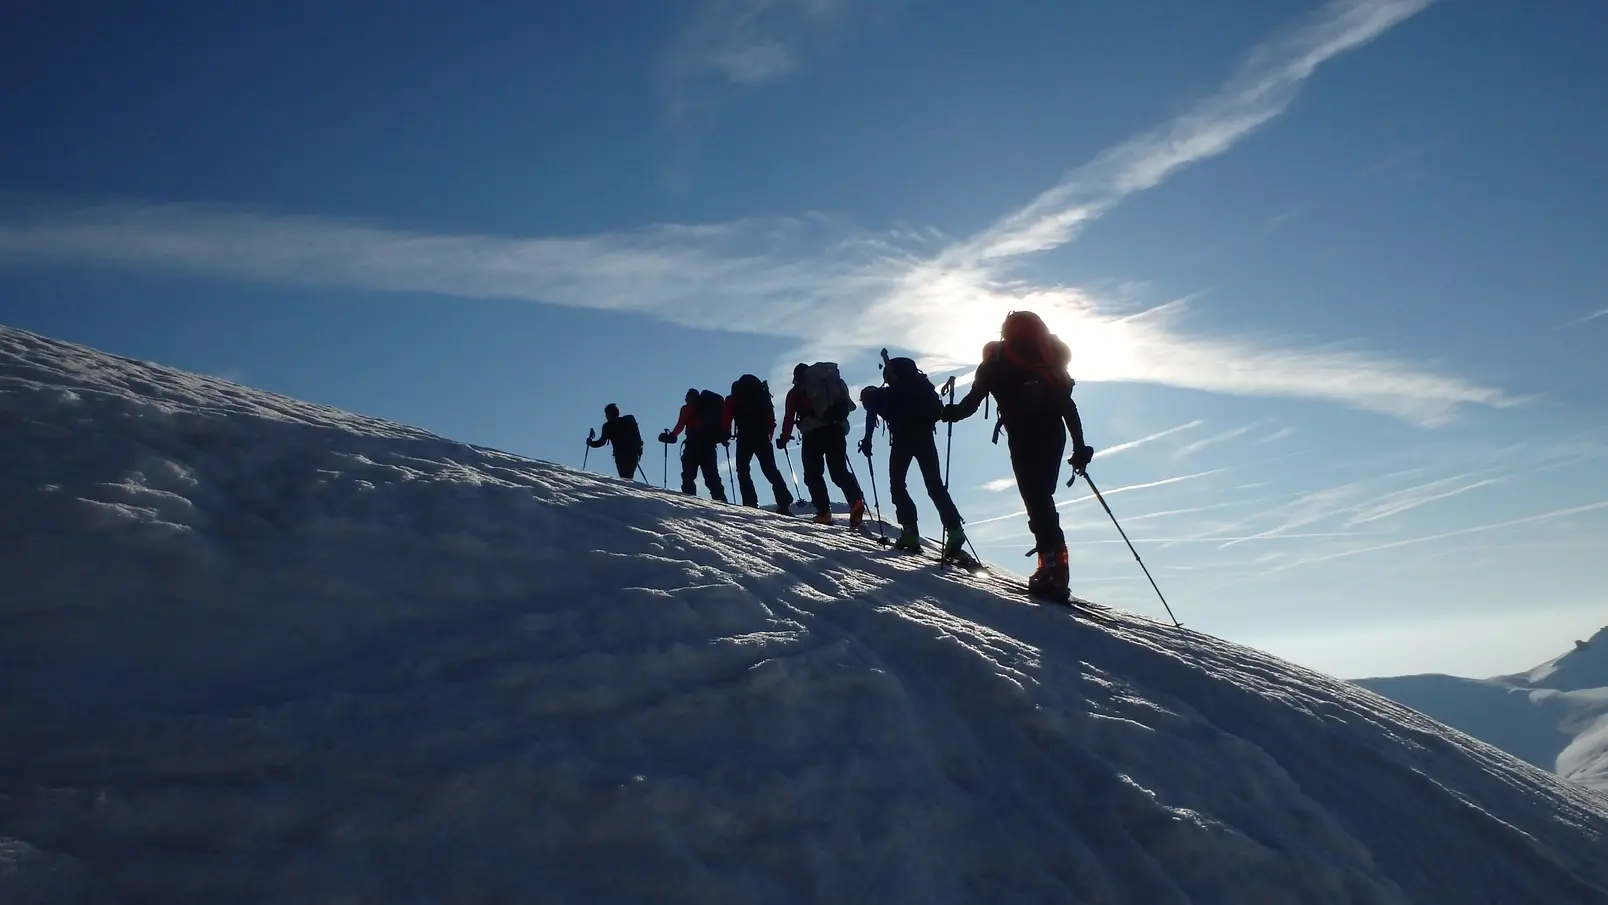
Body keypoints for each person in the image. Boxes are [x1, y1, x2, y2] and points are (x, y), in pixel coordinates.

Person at [941, 311, 1094, 601]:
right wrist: (1079, 446)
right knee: (1043, 498)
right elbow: (1066, 405)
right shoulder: (1045, 360)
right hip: (1053, 431)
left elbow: (970, 404)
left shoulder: (993, 364)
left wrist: (948, 413)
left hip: (1023, 435)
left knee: (1035, 499)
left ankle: (1050, 569)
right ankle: (1056, 569)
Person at [859, 355, 967, 558]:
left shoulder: (880, 396)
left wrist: (867, 440)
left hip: (902, 439)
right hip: (925, 435)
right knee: (935, 485)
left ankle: (910, 532)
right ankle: (954, 530)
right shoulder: (920, 386)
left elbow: (871, 415)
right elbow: (938, 410)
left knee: (897, 484)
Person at [778, 362, 866, 527]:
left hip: (813, 433)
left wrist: (784, 438)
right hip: (836, 430)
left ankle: (824, 512)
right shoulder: (829, 384)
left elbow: (789, 417)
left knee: (813, 473)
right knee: (839, 471)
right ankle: (856, 501)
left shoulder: (796, 391)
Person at [724, 374, 794, 513]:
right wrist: (769, 436)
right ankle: (783, 499)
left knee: (743, 469)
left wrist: (725, 434)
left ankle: (750, 502)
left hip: (745, 436)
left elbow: (726, 417)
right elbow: (771, 420)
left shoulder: (734, 397)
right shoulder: (762, 395)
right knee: (770, 469)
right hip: (762, 436)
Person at [659, 388, 728, 502]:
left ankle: (689, 501)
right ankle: (722, 502)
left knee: (688, 476)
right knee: (712, 477)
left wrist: (672, 436)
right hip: (709, 446)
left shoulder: (688, 408)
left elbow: (680, 425)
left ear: (690, 397)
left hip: (693, 445)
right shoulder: (710, 409)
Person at [586, 403, 645, 480]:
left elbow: (601, 442)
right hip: (634, 452)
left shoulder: (608, 426)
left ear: (609, 414)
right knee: (627, 476)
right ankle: (628, 489)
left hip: (621, 455)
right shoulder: (629, 419)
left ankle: (627, 490)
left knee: (624, 476)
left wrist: (591, 443)